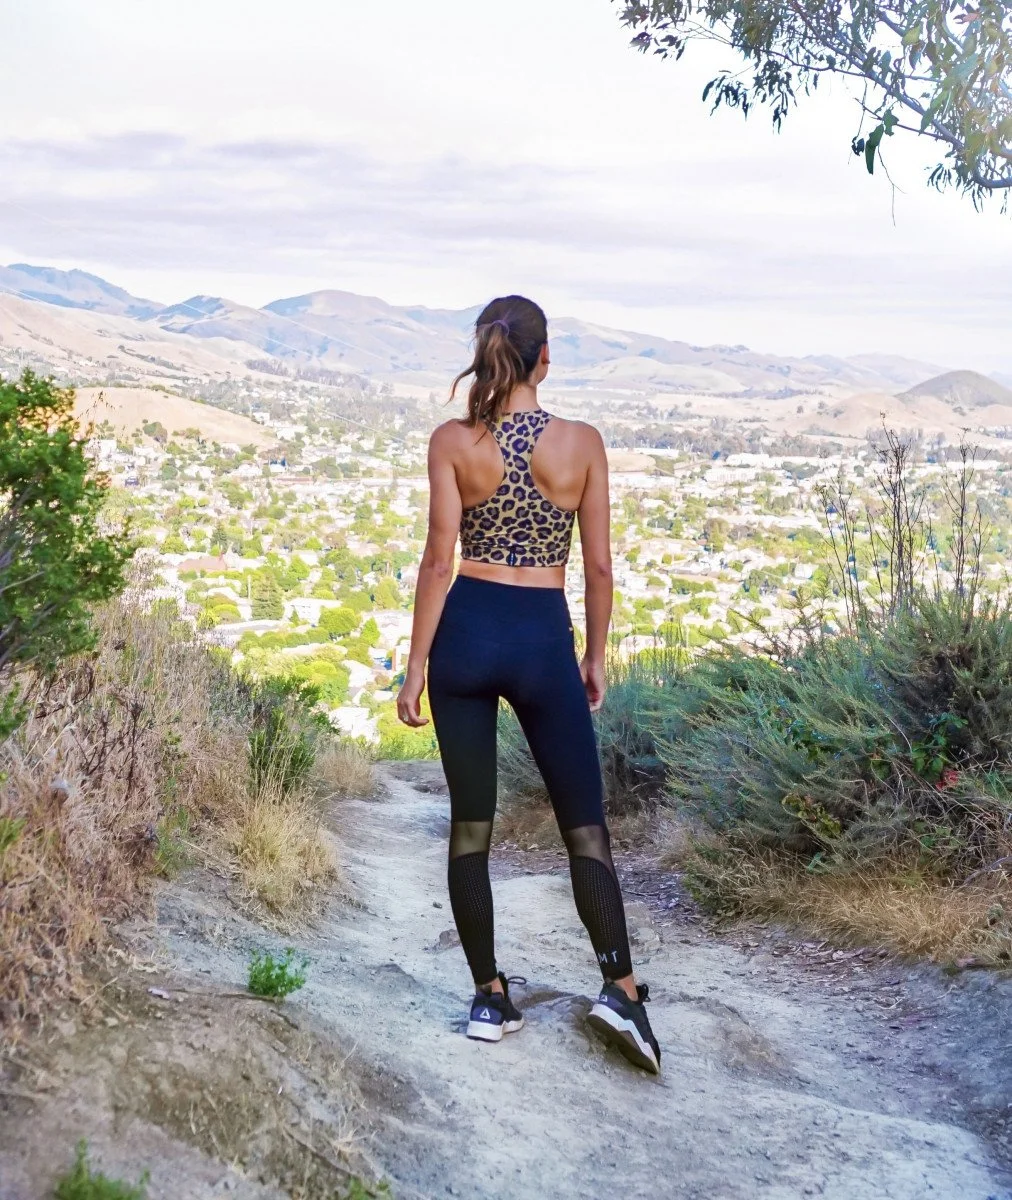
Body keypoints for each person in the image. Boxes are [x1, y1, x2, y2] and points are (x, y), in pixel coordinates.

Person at [396, 295, 660, 1075]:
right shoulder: (581, 445)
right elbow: (601, 565)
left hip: (466, 636)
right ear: (545, 360)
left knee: (470, 828)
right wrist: (597, 655)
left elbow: (439, 559)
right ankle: (621, 988)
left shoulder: (453, 441)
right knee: (585, 827)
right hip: (542, 634)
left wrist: (416, 666)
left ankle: (488, 996)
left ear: (487, 356)